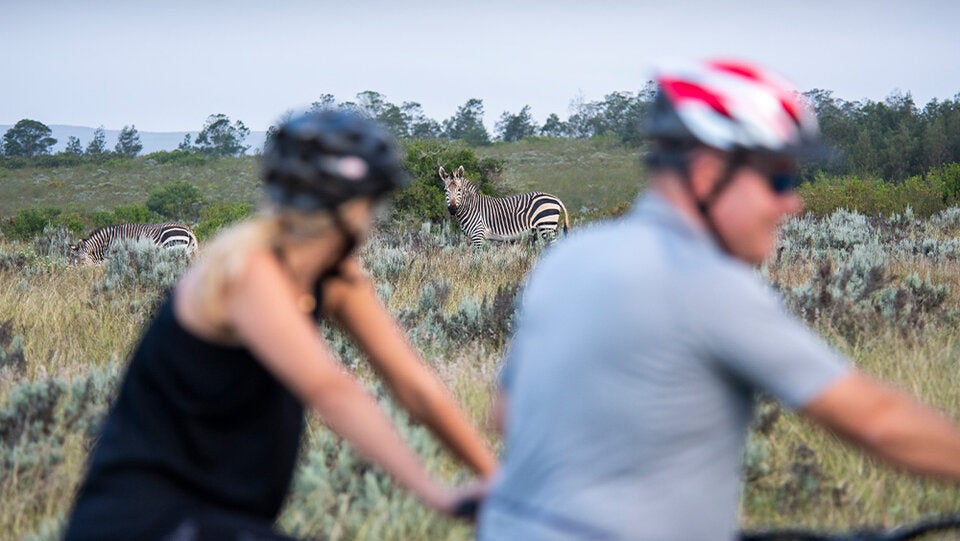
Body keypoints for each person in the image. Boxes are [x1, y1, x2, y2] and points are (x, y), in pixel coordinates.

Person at [476, 59, 960, 541]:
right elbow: (876, 422)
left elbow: (505, 414)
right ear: (708, 174)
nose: (794, 202)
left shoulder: (567, 257)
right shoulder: (707, 283)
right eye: (779, 179)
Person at [64, 110, 497, 540]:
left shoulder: (334, 274)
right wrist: (435, 493)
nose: (373, 218)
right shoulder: (249, 271)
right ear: (348, 208)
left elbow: (413, 384)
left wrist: (496, 479)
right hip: (145, 518)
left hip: (226, 516)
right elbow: (332, 390)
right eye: (372, 203)